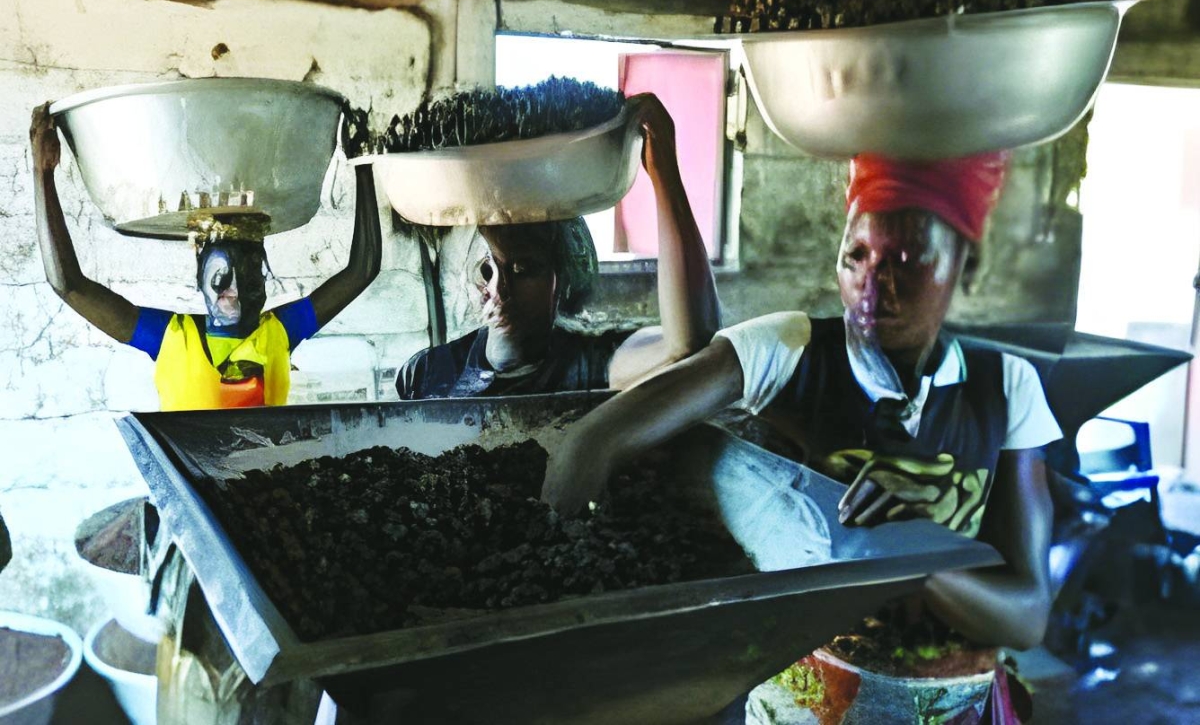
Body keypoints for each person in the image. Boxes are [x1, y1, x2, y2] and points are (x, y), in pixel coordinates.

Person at [542, 151, 1060, 666]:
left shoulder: (1007, 387)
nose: (872, 283)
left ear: (966, 267)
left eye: (904, 259)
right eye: (855, 255)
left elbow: (1028, 617)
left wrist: (910, 553)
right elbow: (594, 440)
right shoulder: (790, 349)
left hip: (950, 698)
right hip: (808, 691)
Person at [31, 102, 382, 410]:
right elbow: (69, 286)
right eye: (220, 278)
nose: (235, 290)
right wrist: (42, 172)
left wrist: (362, 163)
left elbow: (363, 269)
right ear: (199, 279)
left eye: (249, 278)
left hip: (268, 484)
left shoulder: (279, 331)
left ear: (264, 283)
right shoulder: (169, 337)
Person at [397, 93, 720, 398]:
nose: (500, 290)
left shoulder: (591, 366)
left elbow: (688, 346)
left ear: (560, 278)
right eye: (486, 269)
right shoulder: (426, 375)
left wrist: (663, 164)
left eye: (524, 269)